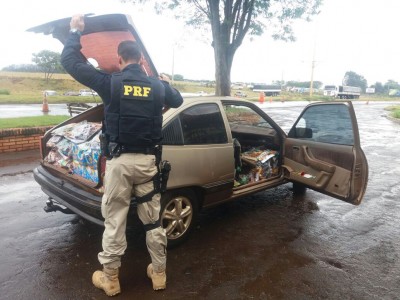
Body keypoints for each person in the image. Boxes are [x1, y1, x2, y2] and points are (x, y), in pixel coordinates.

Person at [61, 14, 183, 297]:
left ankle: (111, 278)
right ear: (141, 61)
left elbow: (71, 62)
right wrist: (164, 81)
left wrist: (74, 31)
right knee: (152, 220)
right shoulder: (157, 87)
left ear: (119, 60)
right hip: (148, 164)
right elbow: (177, 100)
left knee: (115, 220)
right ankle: (159, 274)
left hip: (119, 164)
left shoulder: (111, 83)